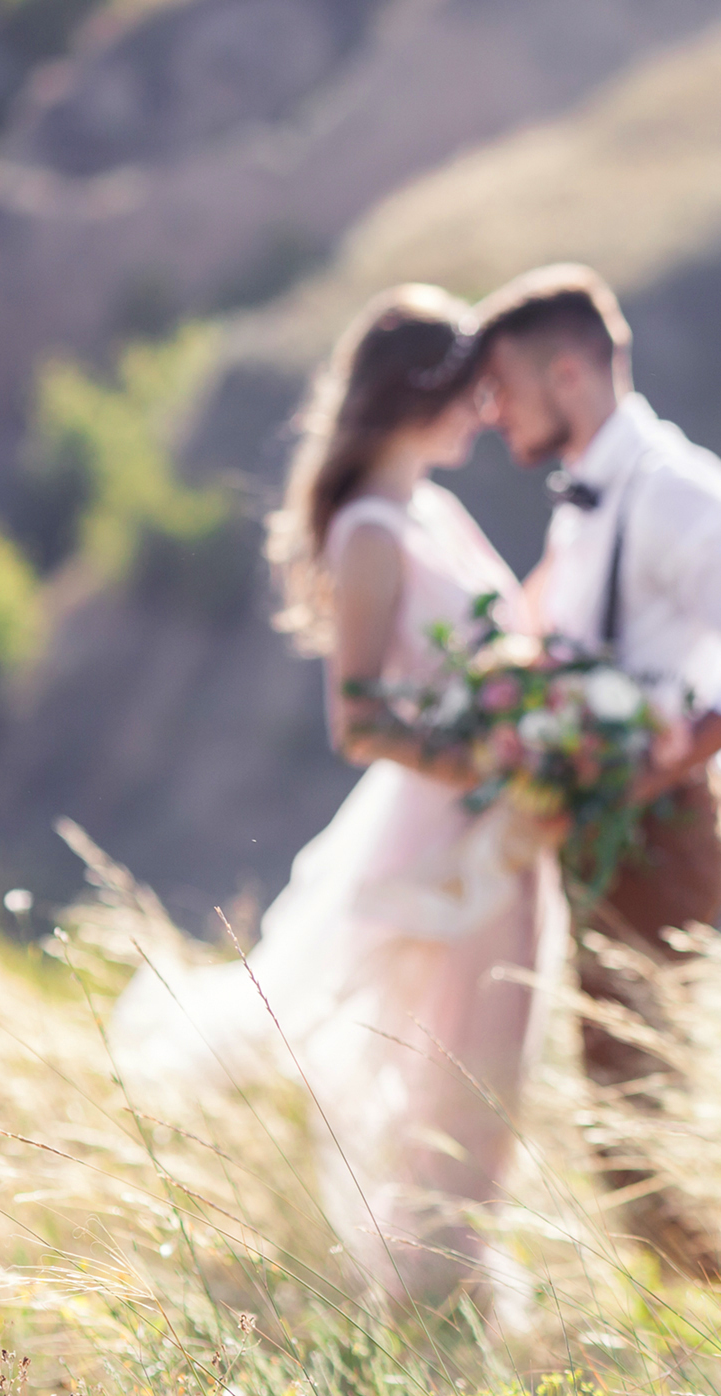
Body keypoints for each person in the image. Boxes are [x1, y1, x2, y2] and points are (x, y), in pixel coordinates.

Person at [112, 285, 567, 1318]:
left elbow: (511, 649)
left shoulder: (435, 510)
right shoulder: (370, 532)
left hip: (506, 818)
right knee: (444, 1054)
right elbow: (358, 720)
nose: (487, 414)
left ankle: (447, 1285)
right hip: (441, 828)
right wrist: (487, 763)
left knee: (499, 1048)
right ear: (418, 395)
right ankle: (427, 1290)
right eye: (470, 394)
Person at [471, 264, 721, 1289]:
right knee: (623, 1126)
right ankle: (715, 1331)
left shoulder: (677, 491)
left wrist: (664, 759)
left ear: (569, 374)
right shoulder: (586, 499)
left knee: (630, 1140)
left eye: (504, 390)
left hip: (658, 842)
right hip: (593, 843)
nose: (491, 416)